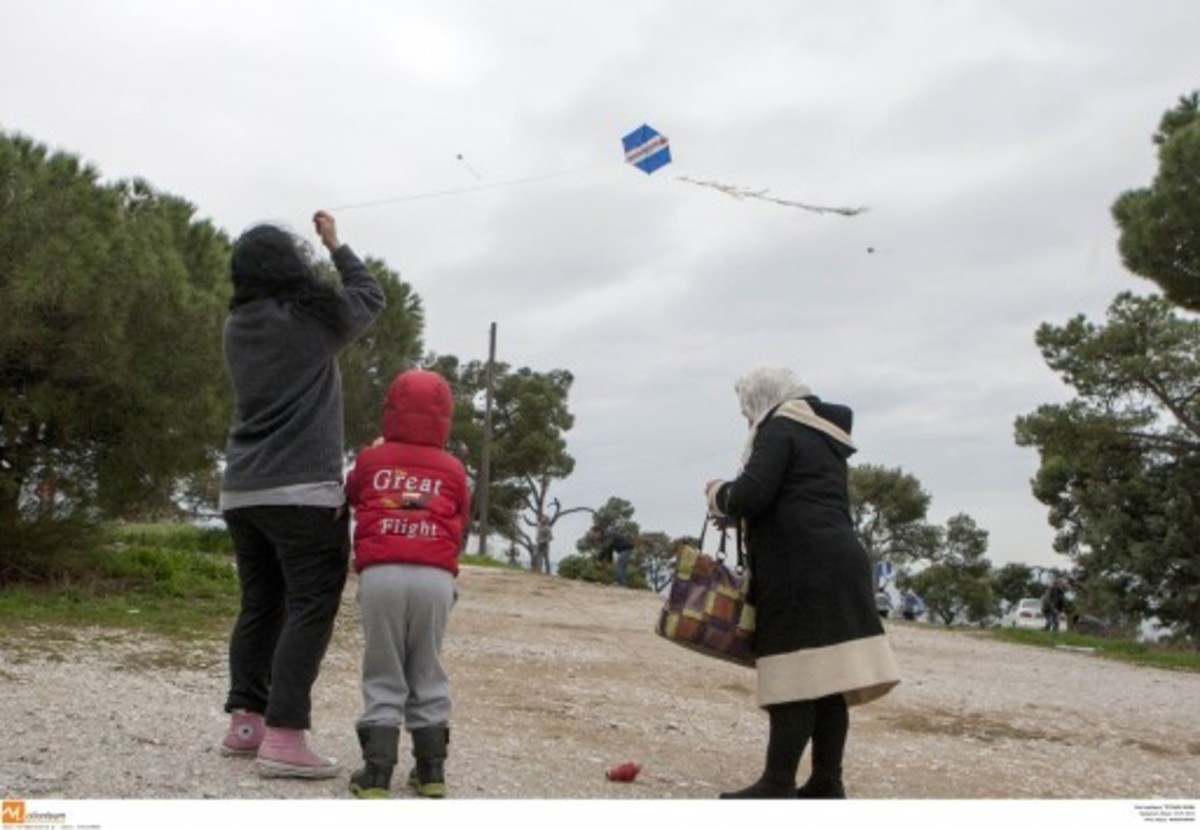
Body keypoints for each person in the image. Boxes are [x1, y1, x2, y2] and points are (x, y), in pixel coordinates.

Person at [218, 211, 386, 779]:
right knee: (310, 608)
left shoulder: (235, 325)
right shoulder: (313, 321)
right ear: (292, 265)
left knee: (261, 605)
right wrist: (336, 245)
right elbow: (370, 294)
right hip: (303, 492)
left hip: (241, 490)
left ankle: (247, 722)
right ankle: (286, 738)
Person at [704, 366, 900, 799]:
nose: (747, 420)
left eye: (746, 411)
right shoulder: (824, 435)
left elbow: (751, 496)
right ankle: (828, 783)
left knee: (793, 675)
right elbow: (793, 498)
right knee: (830, 679)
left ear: (763, 398)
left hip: (800, 567)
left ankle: (777, 784)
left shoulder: (780, 427)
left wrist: (717, 492)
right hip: (841, 562)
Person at [344, 369, 471, 799]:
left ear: (390, 410)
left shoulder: (370, 459)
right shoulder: (453, 467)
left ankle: (377, 773)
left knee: (384, 667)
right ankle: (431, 771)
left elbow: (352, 493)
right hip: (435, 577)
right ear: (445, 417)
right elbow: (460, 517)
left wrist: (380, 461)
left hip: (381, 575)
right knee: (427, 666)